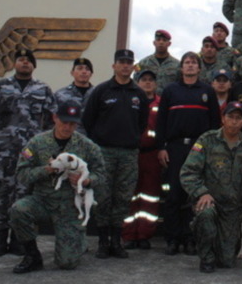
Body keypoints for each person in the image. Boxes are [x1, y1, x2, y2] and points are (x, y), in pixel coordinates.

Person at [8, 101, 105, 273]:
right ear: (55, 118)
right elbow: (22, 174)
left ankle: (78, 240)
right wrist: (46, 170)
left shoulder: (87, 146)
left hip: (70, 206)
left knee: (67, 263)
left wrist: (86, 181)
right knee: (18, 210)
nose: (67, 127)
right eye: (64, 122)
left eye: (72, 124)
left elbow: (102, 174)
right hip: (42, 200)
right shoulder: (36, 143)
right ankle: (32, 255)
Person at [82, 49, 150, 259]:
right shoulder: (101, 91)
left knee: (122, 197)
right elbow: (88, 121)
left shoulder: (138, 94)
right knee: (103, 196)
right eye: (121, 62)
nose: (125, 66)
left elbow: (142, 124)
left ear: (132, 67)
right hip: (104, 152)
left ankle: (116, 240)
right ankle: (103, 241)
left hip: (128, 153)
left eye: (129, 63)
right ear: (114, 66)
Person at [0, 48, 56, 257]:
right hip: (5, 148)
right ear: (14, 63)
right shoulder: (1, 86)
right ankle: (0, 239)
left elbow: (50, 121)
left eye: (29, 60)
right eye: (21, 59)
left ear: (34, 65)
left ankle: (18, 239)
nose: (25, 63)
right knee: (2, 193)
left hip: (30, 151)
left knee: (24, 193)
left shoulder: (43, 89)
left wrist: (46, 149)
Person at [179, 101, 242, 273]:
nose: (234, 121)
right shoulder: (207, 140)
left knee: (226, 261)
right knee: (206, 215)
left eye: (238, 118)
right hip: (210, 201)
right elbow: (188, 172)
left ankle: (218, 245)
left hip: (232, 208)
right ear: (223, 118)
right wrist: (202, 193)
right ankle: (206, 256)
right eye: (230, 117)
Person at [156, 52, 220, 256]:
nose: (190, 66)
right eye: (187, 63)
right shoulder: (170, 91)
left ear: (199, 68)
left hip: (199, 149)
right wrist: (161, 147)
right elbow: (161, 122)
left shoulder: (207, 91)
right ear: (181, 68)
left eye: (194, 63)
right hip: (175, 148)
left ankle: (191, 238)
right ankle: (173, 239)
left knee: (195, 195)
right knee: (174, 195)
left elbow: (215, 123)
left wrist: (211, 150)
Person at [122, 69, 162, 250]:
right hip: (132, 153)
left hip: (152, 155)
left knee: (150, 196)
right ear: (137, 83)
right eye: (143, 79)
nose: (147, 83)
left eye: (150, 80)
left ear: (155, 84)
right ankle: (129, 234)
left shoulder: (162, 103)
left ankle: (145, 234)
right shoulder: (131, 101)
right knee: (130, 193)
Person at [54, 58, 95, 134]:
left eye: (87, 69)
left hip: (92, 139)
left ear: (91, 74)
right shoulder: (60, 94)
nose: (84, 72)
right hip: (68, 137)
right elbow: (54, 118)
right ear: (72, 73)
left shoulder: (98, 93)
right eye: (79, 69)